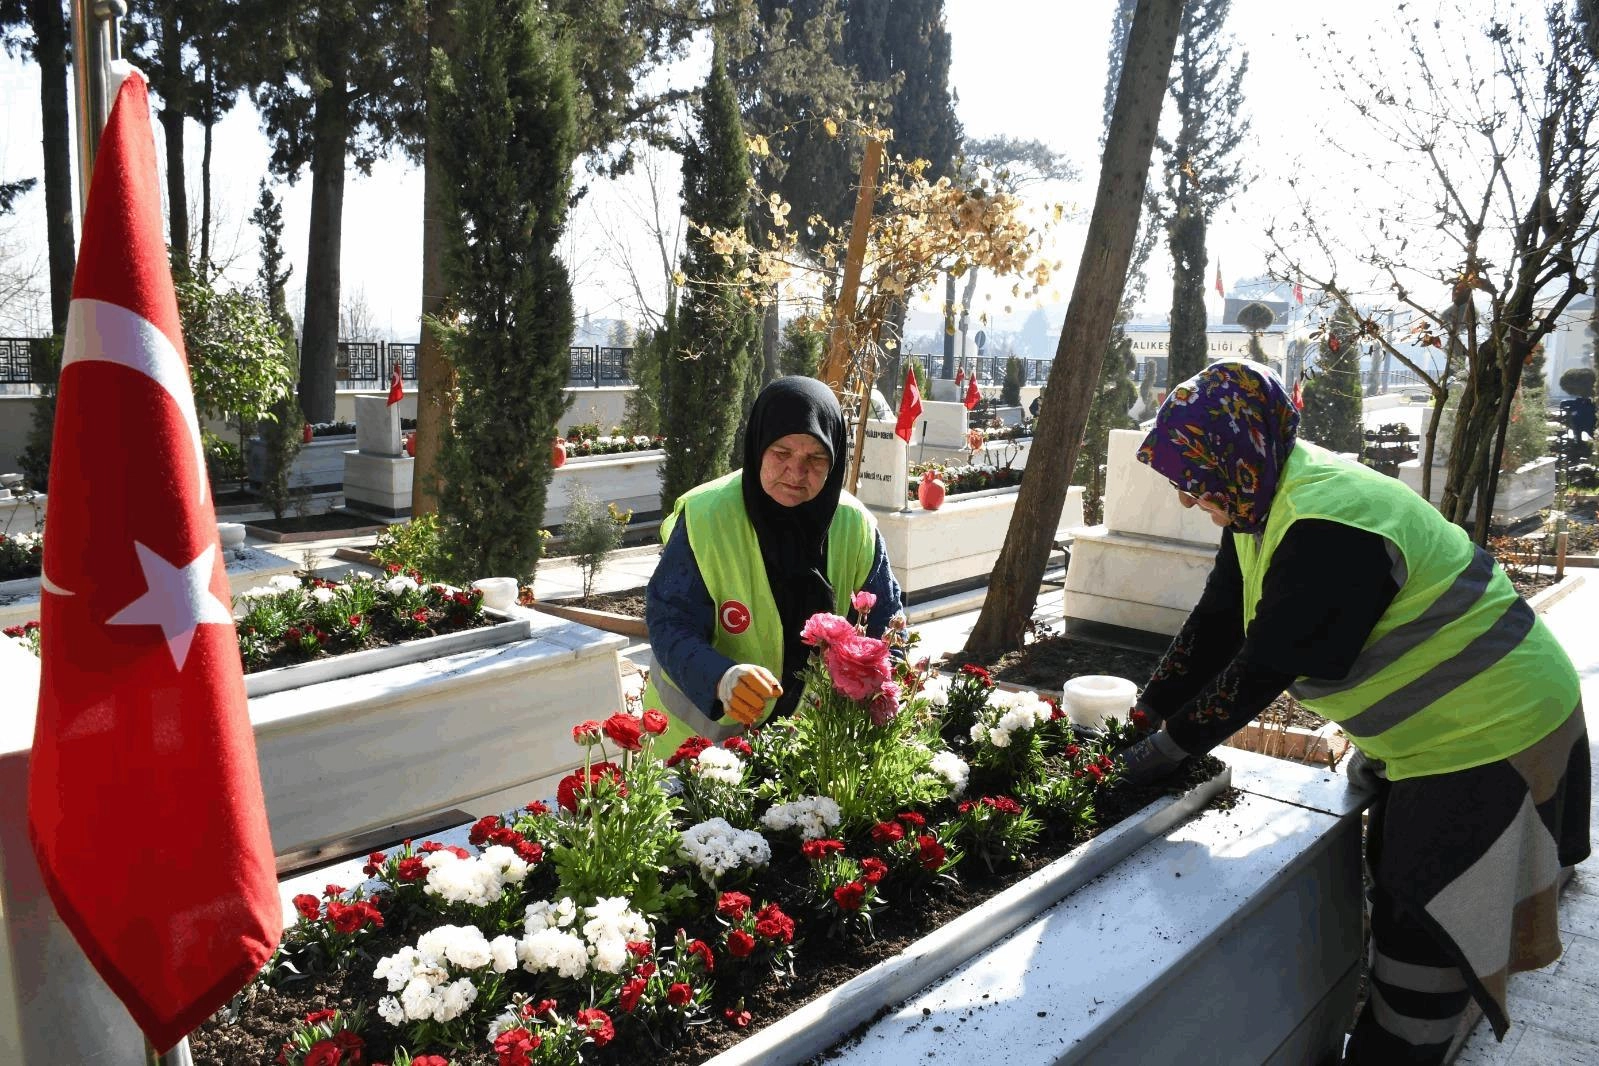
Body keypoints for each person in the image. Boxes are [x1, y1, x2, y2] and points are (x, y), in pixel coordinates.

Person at [1116, 360, 1589, 1066]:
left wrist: (1162, 753)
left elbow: (1262, 667)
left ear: (1235, 458)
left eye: (1194, 479)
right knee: (1399, 882)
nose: (1188, 499)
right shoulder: (1263, 495)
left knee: (1422, 917)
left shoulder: (1327, 523)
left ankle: (1397, 1052)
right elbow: (1218, 621)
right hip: (1448, 729)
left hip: (1489, 731)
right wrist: (1146, 710)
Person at [642, 376, 904, 747]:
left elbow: (887, 629)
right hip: (698, 752)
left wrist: (884, 700)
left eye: (816, 458)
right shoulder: (707, 517)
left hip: (808, 747)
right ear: (758, 446)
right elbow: (670, 621)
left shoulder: (855, 526)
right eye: (782, 453)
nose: (796, 473)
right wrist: (721, 677)